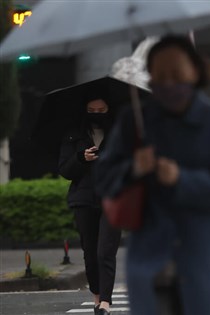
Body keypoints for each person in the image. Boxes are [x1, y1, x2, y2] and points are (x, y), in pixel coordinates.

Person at [94, 35, 210, 315]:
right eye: (160, 74)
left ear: (196, 71)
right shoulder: (135, 121)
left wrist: (181, 179)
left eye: (177, 73)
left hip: (203, 257)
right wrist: (133, 169)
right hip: (151, 260)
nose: (169, 82)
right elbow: (103, 179)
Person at [58, 92, 121, 315]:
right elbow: (64, 170)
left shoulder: (120, 133)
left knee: (106, 250)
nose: (96, 115)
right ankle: (96, 298)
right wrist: (81, 158)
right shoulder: (73, 135)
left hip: (113, 198)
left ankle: (105, 302)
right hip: (83, 199)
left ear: (109, 110)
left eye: (101, 111)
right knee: (90, 252)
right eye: (92, 111)